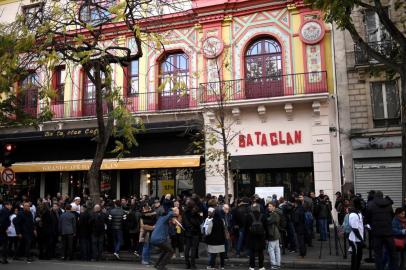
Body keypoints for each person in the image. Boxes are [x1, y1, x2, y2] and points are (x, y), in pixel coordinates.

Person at [366, 191, 398, 270]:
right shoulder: (388, 204)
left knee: (378, 255)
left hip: (377, 234)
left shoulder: (371, 204)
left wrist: (372, 225)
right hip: (388, 233)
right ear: (382, 196)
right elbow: (392, 216)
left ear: (375, 196)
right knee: (392, 254)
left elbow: (367, 219)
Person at [182, 199, 202, 269]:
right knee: (193, 249)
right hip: (194, 233)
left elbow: (184, 223)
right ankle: (193, 265)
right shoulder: (195, 213)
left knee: (187, 248)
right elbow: (198, 222)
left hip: (187, 233)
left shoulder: (184, 213)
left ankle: (187, 264)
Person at [245, 203, 266, 270]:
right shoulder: (263, 216)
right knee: (260, 252)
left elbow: (245, 227)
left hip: (251, 236)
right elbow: (266, 227)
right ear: (259, 208)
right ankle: (261, 266)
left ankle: (252, 266)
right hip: (261, 236)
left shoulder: (248, 216)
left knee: (252, 252)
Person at [349, 197, 364, 270]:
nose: (363, 204)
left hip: (359, 239)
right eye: (361, 203)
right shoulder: (354, 215)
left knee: (359, 257)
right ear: (358, 204)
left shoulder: (359, 212)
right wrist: (361, 239)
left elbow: (359, 225)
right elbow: (355, 229)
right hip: (355, 240)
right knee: (356, 257)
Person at [265, 202, 281, 270]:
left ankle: (274, 265)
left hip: (273, 234)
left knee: (271, 250)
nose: (269, 207)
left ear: (274, 207)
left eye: (270, 206)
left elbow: (268, 221)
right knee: (277, 250)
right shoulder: (276, 213)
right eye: (268, 206)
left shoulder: (273, 214)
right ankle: (278, 264)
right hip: (276, 233)